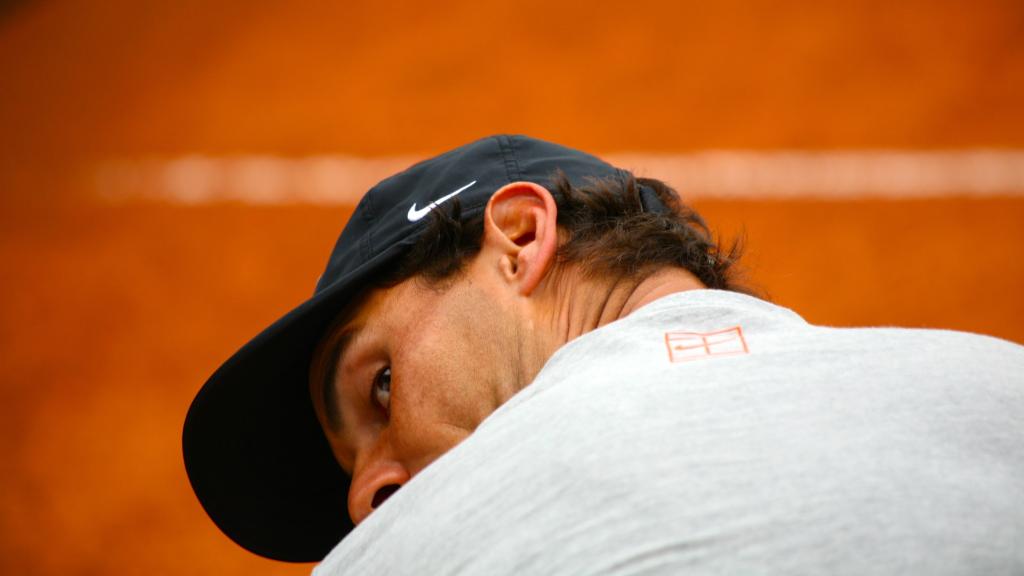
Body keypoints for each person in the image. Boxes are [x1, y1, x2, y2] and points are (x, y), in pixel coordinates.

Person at [183, 135, 1024, 574]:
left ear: (518, 240)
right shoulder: (997, 385)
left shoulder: (402, 555)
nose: (366, 501)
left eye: (382, 384)